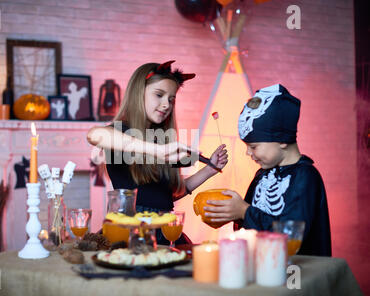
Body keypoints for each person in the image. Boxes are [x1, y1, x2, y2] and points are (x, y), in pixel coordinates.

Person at [87, 60, 228, 245]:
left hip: (164, 231)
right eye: (159, 95)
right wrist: (158, 151)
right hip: (131, 232)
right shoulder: (121, 131)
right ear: (139, 93)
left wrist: (210, 169)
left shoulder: (161, 139)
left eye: (171, 99)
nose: (166, 104)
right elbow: (95, 134)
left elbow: (164, 197)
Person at [203, 84, 332, 256]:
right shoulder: (262, 175)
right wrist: (232, 213)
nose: (248, 153)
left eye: (253, 146)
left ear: (282, 140)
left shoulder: (306, 177)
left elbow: (290, 236)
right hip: (262, 267)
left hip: (296, 275)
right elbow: (248, 218)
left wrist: (243, 211)